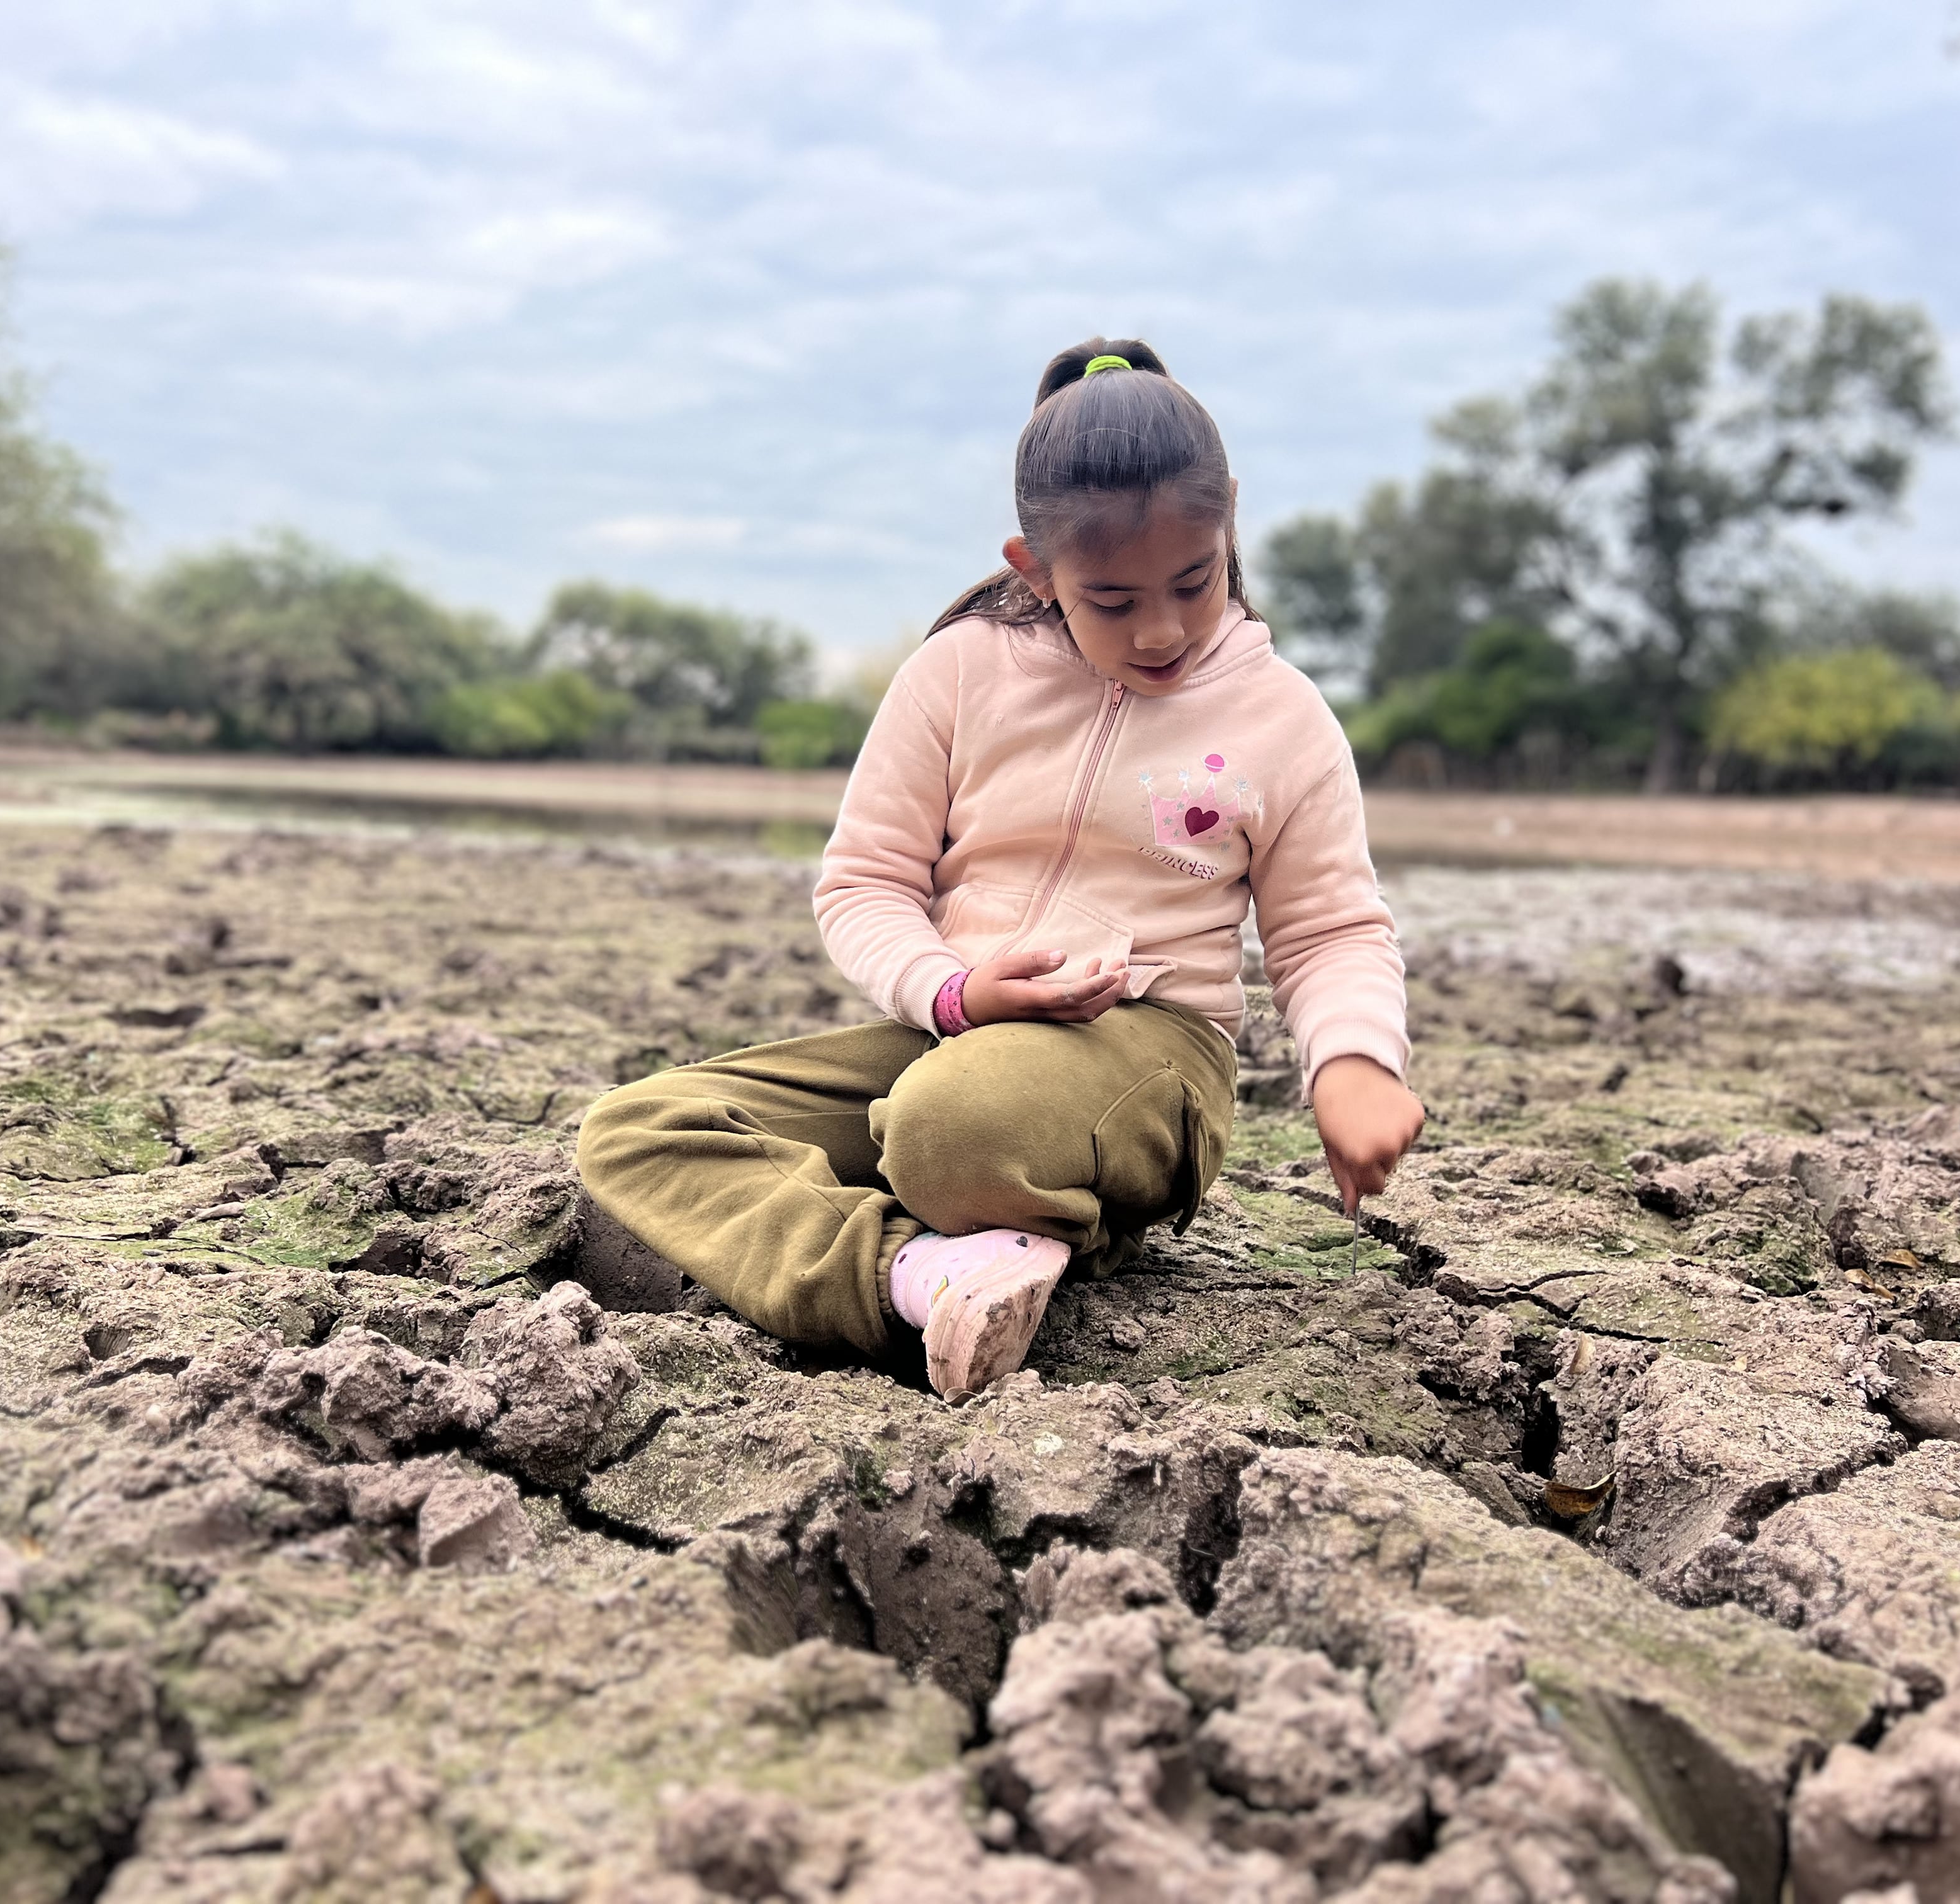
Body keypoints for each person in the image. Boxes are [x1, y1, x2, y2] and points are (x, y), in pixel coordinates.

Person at [577, 338, 1423, 1400]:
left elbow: (1331, 930)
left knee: (948, 1128)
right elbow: (866, 882)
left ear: (1229, 526)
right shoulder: (958, 671)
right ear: (1035, 568)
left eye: (1193, 583)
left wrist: (1354, 1065)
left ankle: (1007, 1220)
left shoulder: (1282, 718)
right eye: (1112, 600)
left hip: (1151, 1054)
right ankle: (916, 1276)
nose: (1160, 630)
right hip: (955, 1033)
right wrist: (953, 991)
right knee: (637, 1132)